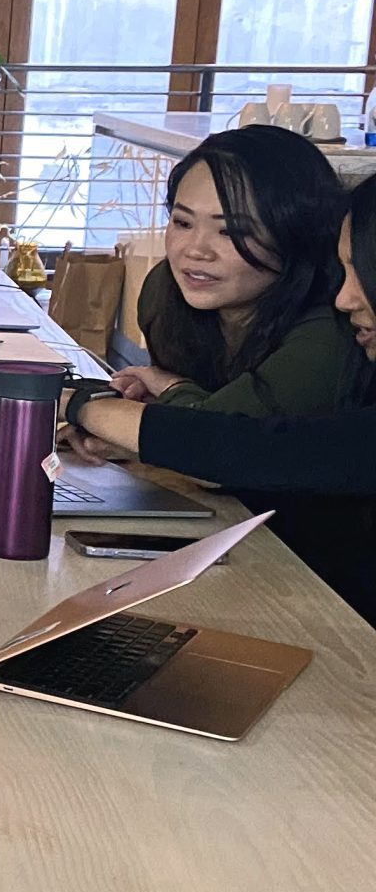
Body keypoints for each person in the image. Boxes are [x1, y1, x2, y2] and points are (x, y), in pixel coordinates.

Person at [71, 173, 376, 623]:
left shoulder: (325, 339)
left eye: (363, 273)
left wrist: (79, 403)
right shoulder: (174, 302)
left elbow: (254, 448)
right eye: (182, 222)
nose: (345, 298)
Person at [112, 125, 356, 419]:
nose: (196, 251)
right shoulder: (163, 293)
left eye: (230, 231)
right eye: (183, 223)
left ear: (296, 233)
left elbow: (224, 438)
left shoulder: (333, 332)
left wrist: (170, 388)